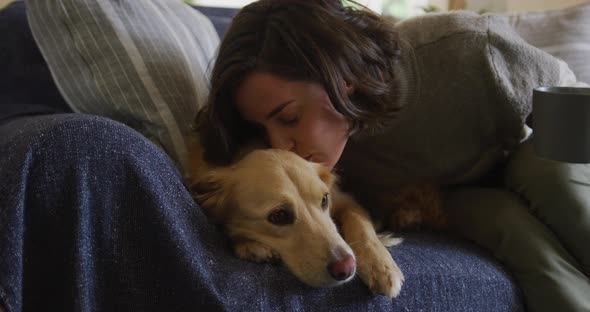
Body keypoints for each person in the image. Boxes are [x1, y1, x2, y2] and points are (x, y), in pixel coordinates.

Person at [196, 0, 590, 311]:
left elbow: (569, 103)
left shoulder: (467, 51)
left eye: (290, 117)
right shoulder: (295, 163)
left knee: (554, 181)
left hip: (529, 149)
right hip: (446, 193)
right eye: (263, 130)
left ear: (343, 78)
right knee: (511, 228)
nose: (281, 145)